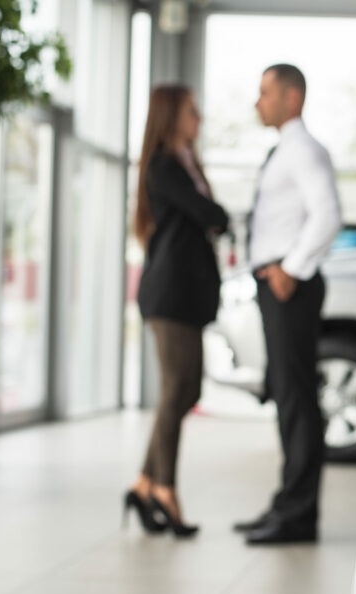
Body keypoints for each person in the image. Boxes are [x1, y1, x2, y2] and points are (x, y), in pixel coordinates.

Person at [234, 64, 342, 545]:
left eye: (265, 93)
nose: (258, 102)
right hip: (279, 283)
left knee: (296, 397)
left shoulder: (303, 151)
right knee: (287, 393)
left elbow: (328, 215)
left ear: (291, 97)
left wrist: (290, 269)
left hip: (289, 286)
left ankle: (297, 515)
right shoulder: (286, 149)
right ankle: (287, 504)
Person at [126, 84, 229, 538]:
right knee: (176, 390)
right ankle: (164, 488)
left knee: (185, 391)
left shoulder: (183, 163)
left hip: (184, 296)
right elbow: (208, 213)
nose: (199, 118)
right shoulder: (166, 166)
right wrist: (217, 213)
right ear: (171, 116)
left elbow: (210, 215)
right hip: (169, 297)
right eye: (191, 111)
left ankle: (145, 482)